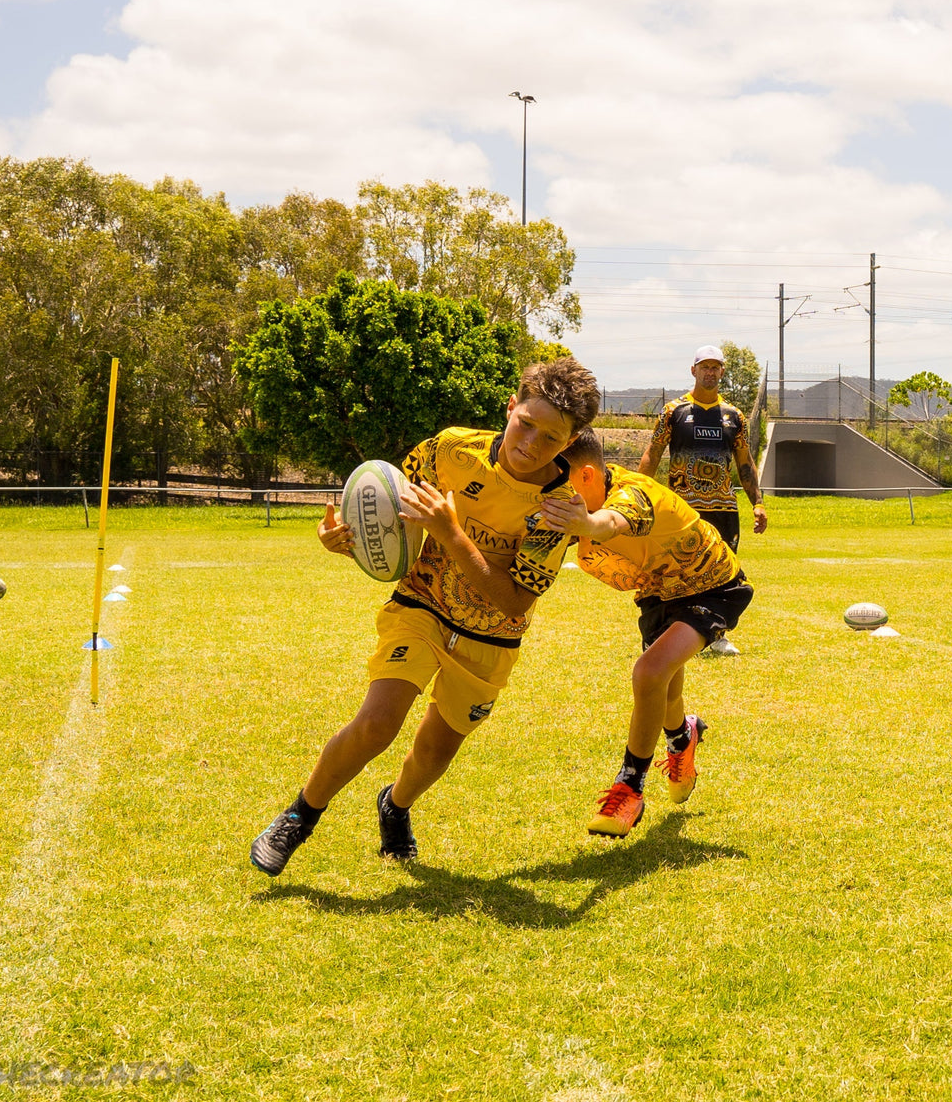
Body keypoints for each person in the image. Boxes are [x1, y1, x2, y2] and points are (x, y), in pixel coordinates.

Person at [249, 358, 601, 874]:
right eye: (526, 423)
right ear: (511, 406)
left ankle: (395, 805)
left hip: (491, 636)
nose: (531, 443)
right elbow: (388, 517)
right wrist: (344, 540)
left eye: (551, 438)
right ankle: (299, 817)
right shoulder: (450, 450)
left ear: (570, 443)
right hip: (421, 602)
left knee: (435, 752)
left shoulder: (558, 507)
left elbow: (514, 601)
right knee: (377, 723)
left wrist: (453, 534)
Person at [541, 430, 753, 837]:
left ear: (585, 477)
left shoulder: (631, 495)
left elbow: (613, 521)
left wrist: (584, 522)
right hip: (659, 594)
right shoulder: (576, 501)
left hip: (711, 585)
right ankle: (682, 737)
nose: (543, 492)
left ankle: (630, 787)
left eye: (551, 482)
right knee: (666, 689)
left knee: (649, 672)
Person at [638, 345, 765, 655]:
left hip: (723, 509)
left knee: (722, 572)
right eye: (704, 366)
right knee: (673, 570)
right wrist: (637, 493)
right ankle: (660, 633)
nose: (710, 371)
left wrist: (758, 502)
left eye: (715, 367)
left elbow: (744, 462)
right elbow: (653, 453)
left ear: (722, 372)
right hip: (682, 507)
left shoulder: (734, 416)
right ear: (693, 371)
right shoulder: (674, 412)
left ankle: (716, 634)